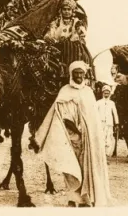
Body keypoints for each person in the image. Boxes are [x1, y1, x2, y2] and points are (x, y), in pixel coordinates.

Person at [30, 61, 112, 207]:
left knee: (86, 166)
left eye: (81, 73)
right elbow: (62, 115)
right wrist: (76, 130)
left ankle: (86, 199)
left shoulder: (88, 92)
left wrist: (91, 133)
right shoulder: (65, 91)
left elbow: (92, 117)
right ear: (71, 74)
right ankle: (73, 198)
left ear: (84, 74)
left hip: (88, 138)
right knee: (70, 167)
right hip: (69, 135)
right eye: (76, 72)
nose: (79, 75)